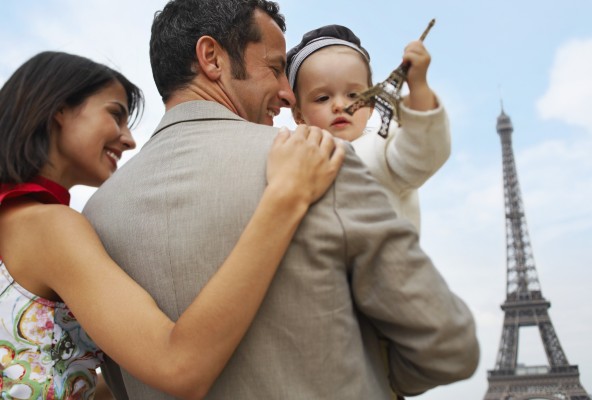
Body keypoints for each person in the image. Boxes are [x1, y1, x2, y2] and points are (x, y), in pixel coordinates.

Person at [83, 0, 480, 399]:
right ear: (211, 58)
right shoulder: (316, 158)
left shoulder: (96, 216)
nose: (289, 94)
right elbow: (448, 348)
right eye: (274, 68)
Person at [0, 51, 344, 400]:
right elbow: (179, 367)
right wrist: (286, 197)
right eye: (116, 115)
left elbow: (49, 374)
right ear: (58, 110)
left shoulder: (14, 221)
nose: (128, 139)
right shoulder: (48, 227)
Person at [287, 24, 451, 233]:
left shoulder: (384, 146)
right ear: (298, 114)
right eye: (322, 98)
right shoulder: (293, 161)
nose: (339, 105)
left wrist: (418, 86)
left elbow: (422, 152)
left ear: (371, 105)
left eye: (353, 95)